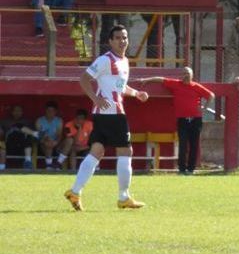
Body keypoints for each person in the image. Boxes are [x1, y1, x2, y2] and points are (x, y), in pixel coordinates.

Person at [64, 24, 150, 211]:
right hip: (113, 113)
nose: (122, 41)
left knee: (96, 151)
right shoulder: (105, 60)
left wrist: (136, 94)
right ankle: (123, 197)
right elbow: (84, 79)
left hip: (103, 114)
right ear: (110, 41)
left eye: (125, 37)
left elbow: (120, 87)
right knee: (125, 152)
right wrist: (96, 98)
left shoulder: (124, 61)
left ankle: (75, 191)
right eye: (118, 38)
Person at [140, 67, 214, 174]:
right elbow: (161, 79)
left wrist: (204, 108)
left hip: (195, 119)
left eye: (188, 73)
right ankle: (182, 169)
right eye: (184, 73)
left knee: (194, 144)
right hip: (182, 120)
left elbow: (211, 95)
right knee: (182, 144)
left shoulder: (196, 86)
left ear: (192, 75)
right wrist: (147, 80)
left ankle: (191, 169)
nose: (186, 75)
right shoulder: (176, 84)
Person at [0, 105, 38, 170]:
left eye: (19, 111)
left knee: (28, 136)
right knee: (16, 125)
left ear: (22, 112)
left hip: (23, 146)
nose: (17, 112)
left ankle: (27, 162)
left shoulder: (27, 121)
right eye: (15, 111)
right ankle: (36, 134)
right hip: (10, 145)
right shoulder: (5, 121)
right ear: (12, 112)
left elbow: (33, 138)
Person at [35, 100, 63, 170]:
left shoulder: (59, 121)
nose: (50, 112)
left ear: (55, 112)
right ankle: (49, 166)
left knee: (69, 141)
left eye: (52, 111)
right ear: (45, 110)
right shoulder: (39, 120)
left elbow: (59, 134)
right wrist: (46, 140)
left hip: (56, 143)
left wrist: (56, 142)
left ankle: (58, 163)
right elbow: (39, 135)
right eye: (48, 110)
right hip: (43, 143)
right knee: (48, 143)